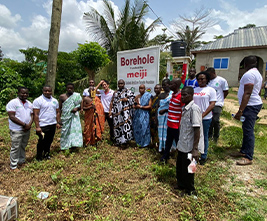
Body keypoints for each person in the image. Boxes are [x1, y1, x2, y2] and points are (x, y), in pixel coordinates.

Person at [232, 55, 263, 165]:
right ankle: (244, 151)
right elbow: (259, 90)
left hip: (251, 106)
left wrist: (240, 111)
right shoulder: (257, 73)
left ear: (245, 64)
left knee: (248, 131)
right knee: (246, 129)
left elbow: (248, 93)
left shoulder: (249, 74)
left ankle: (248, 157)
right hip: (253, 104)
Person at [176, 86, 204, 195]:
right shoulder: (185, 108)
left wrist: (195, 149)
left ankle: (191, 190)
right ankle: (181, 185)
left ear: (191, 95)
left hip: (190, 147)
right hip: (183, 144)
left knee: (190, 169)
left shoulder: (194, 109)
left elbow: (197, 129)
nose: (182, 97)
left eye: (185, 95)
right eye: (181, 95)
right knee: (181, 167)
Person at [6, 87, 33, 171]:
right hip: (16, 129)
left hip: (26, 129)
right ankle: (13, 166)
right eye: (22, 93)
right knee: (15, 147)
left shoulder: (29, 104)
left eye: (26, 93)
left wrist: (29, 125)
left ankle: (21, 161)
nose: (24, 95)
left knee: (23, 145)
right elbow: (12, 117)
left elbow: (32, 115)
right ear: (18, 93)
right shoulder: (13, 103)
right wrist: (24, 125)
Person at [193, 72, 217, 165]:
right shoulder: (195, 90)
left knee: (204, 137)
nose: (200, 81)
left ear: (207, 79)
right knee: (195, 136)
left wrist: (203, 115)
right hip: (195, 116)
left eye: (202, 79)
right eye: (198, 79)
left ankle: (203, 156)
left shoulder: (211, 90)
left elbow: (212, 104)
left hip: (205, 118)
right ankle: (194, 154)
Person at [33, 86, 61, 161]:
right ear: (43, 91)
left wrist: (58, 122)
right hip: (43, 124)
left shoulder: (54, 100)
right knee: (42, 141)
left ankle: (46, 154)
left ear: (51, 91)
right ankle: (39, 156)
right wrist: (37, 126)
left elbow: (57, 112)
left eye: (49, 91)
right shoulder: (38, 100)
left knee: (49, 140)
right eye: (45, 91)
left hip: (52, 124)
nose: (47, 92)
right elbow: (35, 114)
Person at [161, 78, 184, 163]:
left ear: (176, 85)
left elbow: (183, 110)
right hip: (170, 124)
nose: (170, 86)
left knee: (179, 143)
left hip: (176, 125)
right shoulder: (173, 95)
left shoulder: (181, 96)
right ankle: (165, 156)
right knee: (168, 142)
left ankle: (181, 159)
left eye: (171, 84)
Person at [109, 79, 135, 146]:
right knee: (118, 127)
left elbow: (133, 100)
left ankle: (126, 141)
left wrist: (127, 99)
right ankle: (119, 141)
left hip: (125, 113)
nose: (120, 85)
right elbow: (113, 102)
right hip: (117, 114)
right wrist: (111, 111)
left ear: (124, 84)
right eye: (119, 84)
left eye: (121, 83)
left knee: (125, 127)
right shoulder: (115, 93)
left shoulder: (128, 91)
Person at [206, 67, 229, 142]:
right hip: (208, 103)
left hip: (217, 103)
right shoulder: (207, 81)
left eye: (210, 75)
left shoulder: (221, 80)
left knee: (215, 120)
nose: (209, 76)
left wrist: (221, 99)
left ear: (214, 73)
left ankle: (216, 137)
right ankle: (209, 136)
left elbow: (225, 91)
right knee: (209, 120)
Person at [59, 83, 83, 150]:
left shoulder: (77, 95)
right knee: (65, 132)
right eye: (68, 88)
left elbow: (81, 105)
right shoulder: (62, 96)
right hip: (65, 117)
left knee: (74, 131)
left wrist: (77, 108)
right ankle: (64, 146)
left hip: (74, 116)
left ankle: (74, 145)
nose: (69, 89)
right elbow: (59, 109)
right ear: (66, 88)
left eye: (71, 88)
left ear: (73, 89)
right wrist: (59, 120)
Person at [157, 79, 173, 152]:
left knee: (167, 134)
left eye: (165, 84)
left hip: (169, 117)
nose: (164, 86)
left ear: (169, 85)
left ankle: (169, 150)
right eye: (163, 85)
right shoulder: (161, 95)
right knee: (161, 133)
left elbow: (174, 106)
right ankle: (162, 148)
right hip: (160, 117)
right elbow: (158, 106)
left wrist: (165, 110)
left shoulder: (172, 94)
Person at [150, 84, 161, 148]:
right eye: (155, 88)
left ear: (160, 89)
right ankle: (153, 144)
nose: (156, 90)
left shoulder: (162, 97)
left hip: (158, 116)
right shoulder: (153, 97)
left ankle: (159, 145)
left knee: (158, 131)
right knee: (152, 130)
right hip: (151, 116)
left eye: (158, 88)